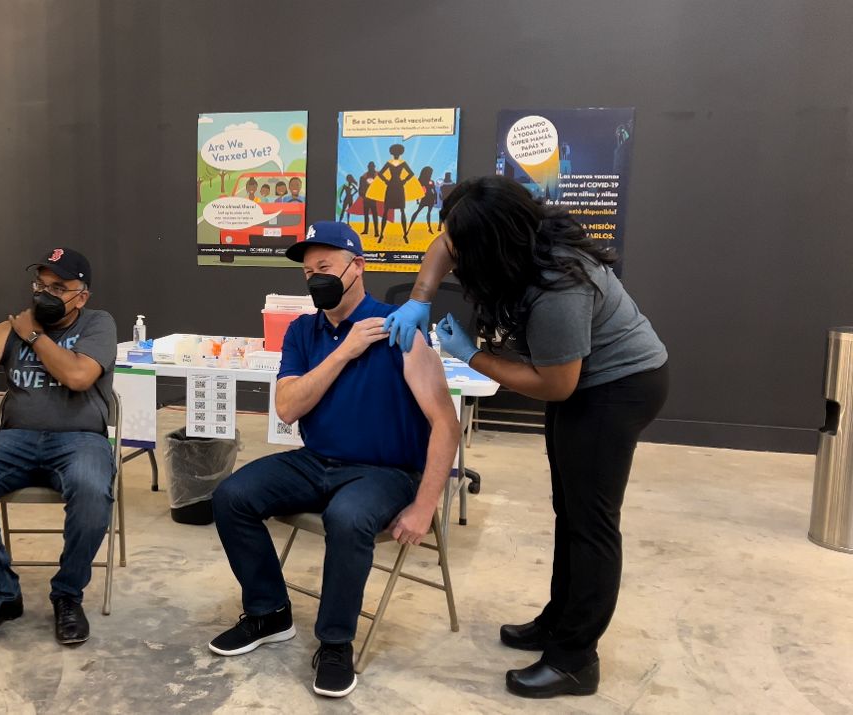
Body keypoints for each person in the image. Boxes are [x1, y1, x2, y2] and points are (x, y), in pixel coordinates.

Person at [382, 176, 669, 698]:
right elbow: (444, 244)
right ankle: (559, 621)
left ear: (494, 244)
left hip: (617, 388)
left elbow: (556, 385)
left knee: (590, 523)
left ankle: (575, 658)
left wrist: (472, 356)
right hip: (583, 385)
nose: (455, 251)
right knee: (570, 508)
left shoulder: (559, 284)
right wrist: (419, 298)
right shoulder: (510, 239)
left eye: (466, 246)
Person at [208, 222, 461, 699]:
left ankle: (336, 642)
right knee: (230, 496)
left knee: (347, 518)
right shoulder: (304, 331)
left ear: (356, 266)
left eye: (324, 267)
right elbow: (288, 407)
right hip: (316, 459)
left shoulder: (399, 326)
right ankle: (269, 612)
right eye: (308, 272)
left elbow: (446, 425)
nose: (315, 279)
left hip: (385, 472)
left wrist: (426, 505)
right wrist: (344, 352)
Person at [0, 248, 117, 646]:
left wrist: (33, 335)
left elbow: (79, 376)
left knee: (91, 488)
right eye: (40, 284)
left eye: (58, 287)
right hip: (15, 439)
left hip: (80, 439)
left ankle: (67, 594)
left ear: (81, 296)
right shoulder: (7, 330)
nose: (44, 294)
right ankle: (2, 594)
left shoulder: (97, 324)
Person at [371, 143, 424, 243]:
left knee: (401, 211)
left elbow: (411, 174)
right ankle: (382, 234)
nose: (396, 154)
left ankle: (404, 235)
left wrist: (403, 181)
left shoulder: (402, 163)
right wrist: (387, 181)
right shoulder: (391, 163)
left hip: (397, 187)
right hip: (393, 187)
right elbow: (381, 174)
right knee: (387, 210)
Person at [408, 165, 439, 233]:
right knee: (417, 211)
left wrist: (436, 199)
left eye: (431, 173)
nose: (431, 174)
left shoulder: (431, 181)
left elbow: (434, 191)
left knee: (428, 213)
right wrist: (417, 199)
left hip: (431, 198)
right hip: (425, 198)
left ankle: (429, 228)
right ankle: (409, 227)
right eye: (430, 173)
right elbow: (417, 191)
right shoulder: (420, 181)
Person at [359, 161, 381, 238]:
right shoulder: (363, 177)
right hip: (366, 199)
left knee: (374, 215)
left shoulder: (377, 175)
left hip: (373, 199)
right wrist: (362, 196)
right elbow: (360, 188)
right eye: (370, 167)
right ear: (368, 167)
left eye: (373, 167)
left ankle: (376, 232)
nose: (372, 168)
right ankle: (366, 230)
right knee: (366, 215)